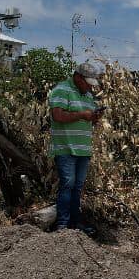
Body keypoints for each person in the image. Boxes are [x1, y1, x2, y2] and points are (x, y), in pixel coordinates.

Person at [47, 61, 102, 231]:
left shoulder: (88, 95)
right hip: (66, 148)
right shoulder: (62, 90)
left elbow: (88, 120)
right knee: (67, 185)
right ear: (78, 77)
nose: (89, 86)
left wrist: (94, 118)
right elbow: (58, 116)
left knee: (77, 187)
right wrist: (82, 115)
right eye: (87, 82)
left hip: (83, 149)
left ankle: (75, 222)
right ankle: (63, 224)